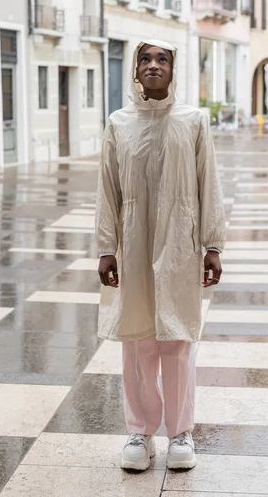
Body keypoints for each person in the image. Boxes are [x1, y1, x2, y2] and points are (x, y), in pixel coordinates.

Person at [95, 39, 225, 471]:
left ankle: (181, 433)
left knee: (178, 339)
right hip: (132, 245)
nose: (153, 65)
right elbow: (107, 189)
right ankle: (140, 432)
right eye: (145, 59)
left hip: (179, 247)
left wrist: (212, 244)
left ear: (173, 70)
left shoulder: (193, 121)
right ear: (135, 70)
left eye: (162, 59)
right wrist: (104, 248)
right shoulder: (118, 123)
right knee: (137, 343)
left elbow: (209, 183)